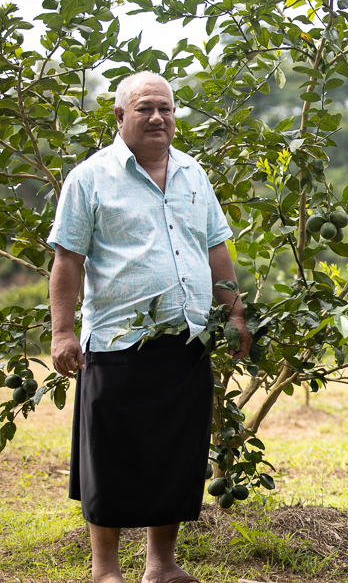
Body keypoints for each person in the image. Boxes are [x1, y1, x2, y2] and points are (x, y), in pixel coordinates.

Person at [48, 71, 251, 583]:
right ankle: (105, 571)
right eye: (145, 108)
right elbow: (68, 259)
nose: (158, 117)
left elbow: (215, 247)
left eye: (166, 108)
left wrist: (234, 313)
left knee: (176, 455)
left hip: (187, 340)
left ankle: (161, 566)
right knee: (110, 458)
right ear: (120, 116)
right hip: (117, 341)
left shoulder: (192, 173)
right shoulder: (90, 178)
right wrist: (62, 332)